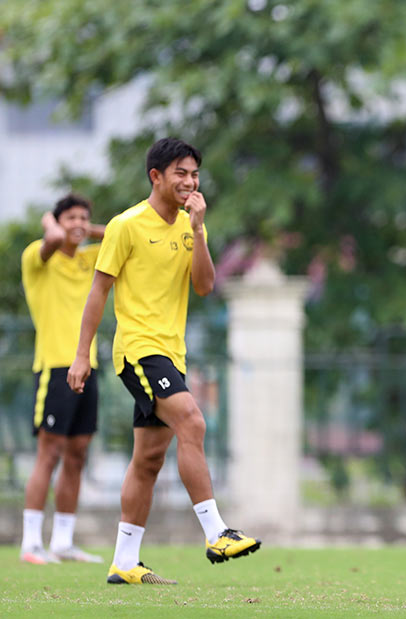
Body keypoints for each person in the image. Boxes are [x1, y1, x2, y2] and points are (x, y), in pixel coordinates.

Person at [67, 137, 260, 585]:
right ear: (156, 176)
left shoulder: (191, 226)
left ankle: (124, 561)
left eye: (194, 174)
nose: (190, 181)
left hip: (172, 354)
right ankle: (216, 532)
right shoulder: (126, 225)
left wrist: (198, 229)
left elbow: (205, 286)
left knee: (148, 459)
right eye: (181, 173)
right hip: (138, 351)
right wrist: (81, 355)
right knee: (192, 421)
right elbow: (98, 291)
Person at [20, 194, 106, 565]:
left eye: (84, 217)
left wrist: (85, 229)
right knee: (50, 453)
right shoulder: (37, 256)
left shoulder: (90, 258)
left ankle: (63, 542)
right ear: (56, 221)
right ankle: (30, 544)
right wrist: (50, 223)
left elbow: (124, 235)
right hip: (54, 367)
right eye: (71, 217)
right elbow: (54, 239)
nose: (78, 223)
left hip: (89, 366)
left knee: (77, 454)